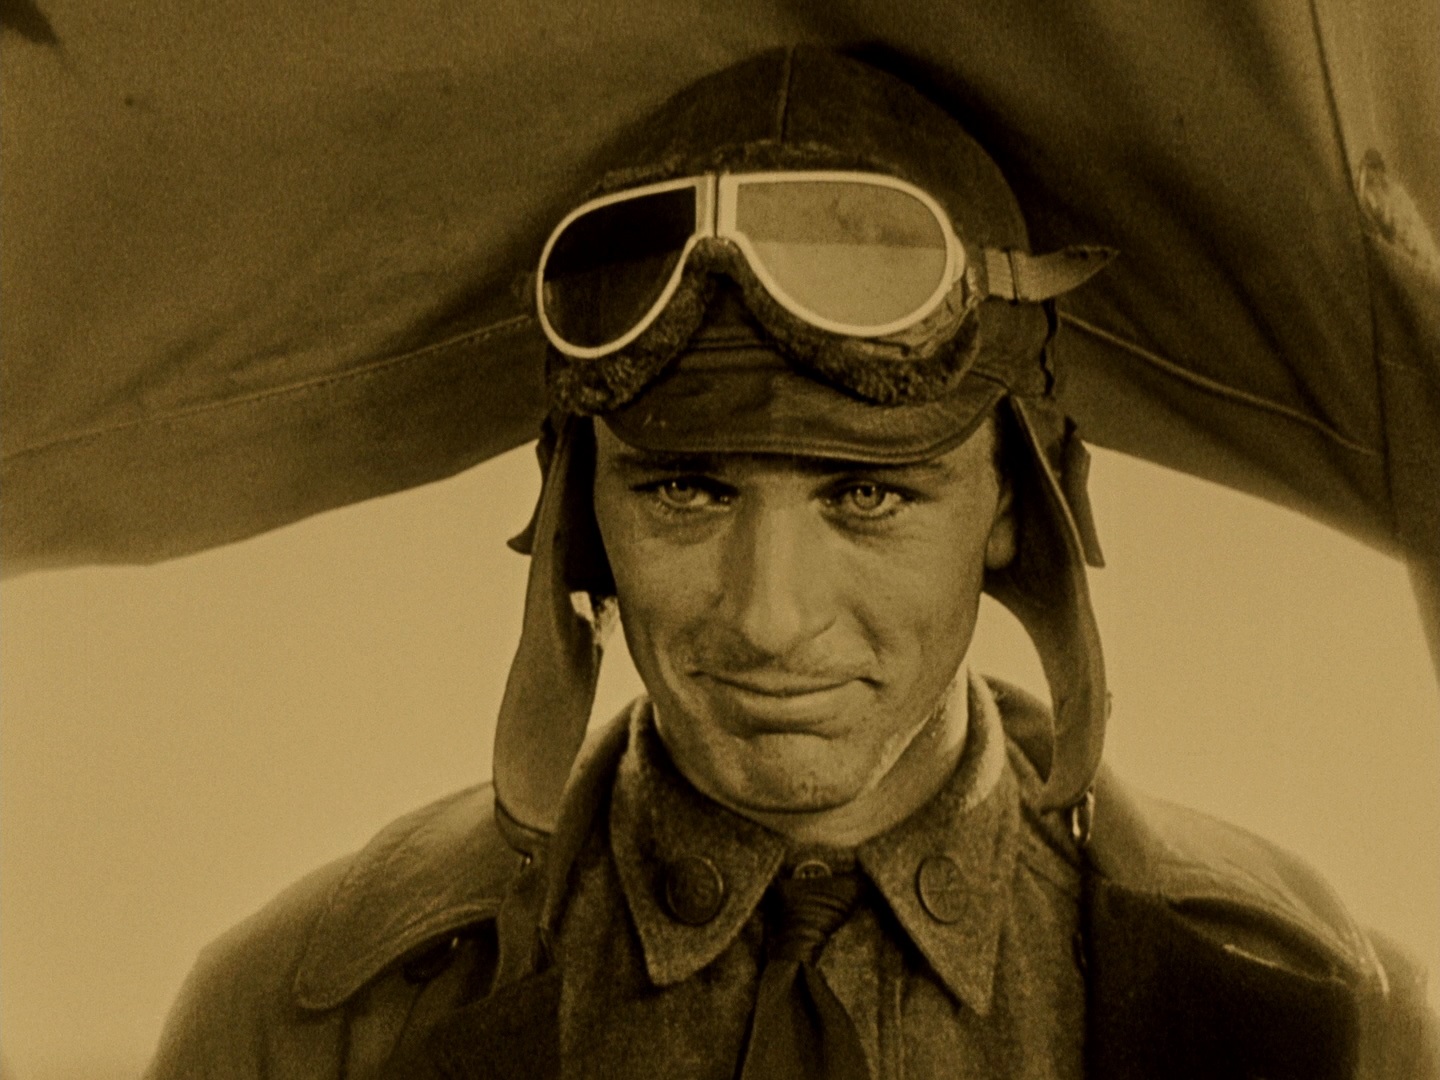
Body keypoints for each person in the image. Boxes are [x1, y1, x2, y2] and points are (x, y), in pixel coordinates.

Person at [144, 47, 1437, 1079]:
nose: (769, 617)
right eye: (686, 489)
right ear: (581, 510)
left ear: (1011, 506)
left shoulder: (1314, 1020)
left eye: (868, 494)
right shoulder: (316, 1025)